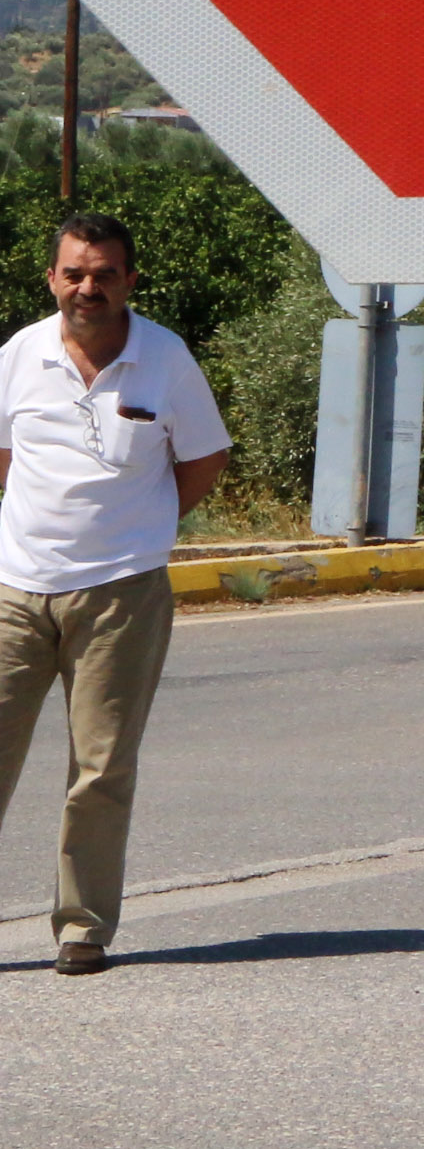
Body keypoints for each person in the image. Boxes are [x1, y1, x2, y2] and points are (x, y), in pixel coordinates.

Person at [0, 214, 232, 975]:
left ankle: (83, 928)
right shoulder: (19, 356)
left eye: (103, 274)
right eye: (74, 273)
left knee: (100, 768)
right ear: (52, 280)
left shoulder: (165, 359)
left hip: (121, 594)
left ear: (130, 281)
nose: (87, 288)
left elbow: (204, 457)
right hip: (14, 591)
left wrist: (143, 525)